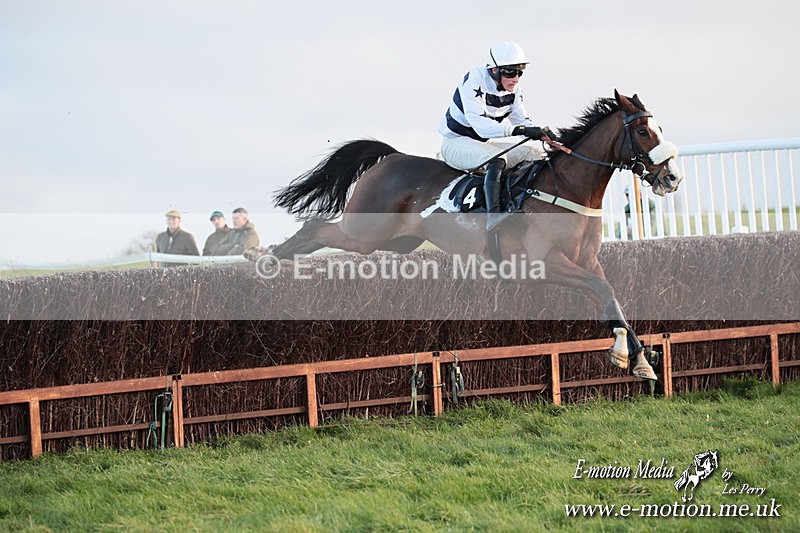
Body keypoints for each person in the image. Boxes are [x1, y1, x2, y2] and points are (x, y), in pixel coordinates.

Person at [439, 40, 554, 231]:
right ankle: (493, 216)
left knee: (535, 154)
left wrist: (543, 135)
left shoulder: (514, 89)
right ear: (494, 70)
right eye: (510, 72)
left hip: (482, 144)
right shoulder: (474, 81)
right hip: (455, 143)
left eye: (520, 72)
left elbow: (521, 119)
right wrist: (520, 130)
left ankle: (527, 205)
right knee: (497, 158)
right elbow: (482, 127)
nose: (516, 78)